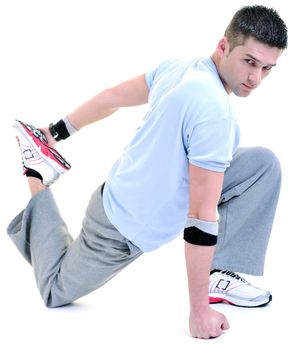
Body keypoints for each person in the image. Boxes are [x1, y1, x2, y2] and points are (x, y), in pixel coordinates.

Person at [8, 5, 287, 339]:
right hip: (119, 229)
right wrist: (198, 312)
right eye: (249, 62)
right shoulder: (217, 115)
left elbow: (113, 97)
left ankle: (220, 275)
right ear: (223, 46)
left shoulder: (181, 69)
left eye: (267, 69)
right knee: (55, 290)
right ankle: (37, 172)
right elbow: (200, 216)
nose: (256, 78)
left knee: (261, 166)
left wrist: (57, 131)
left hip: (127, 189)